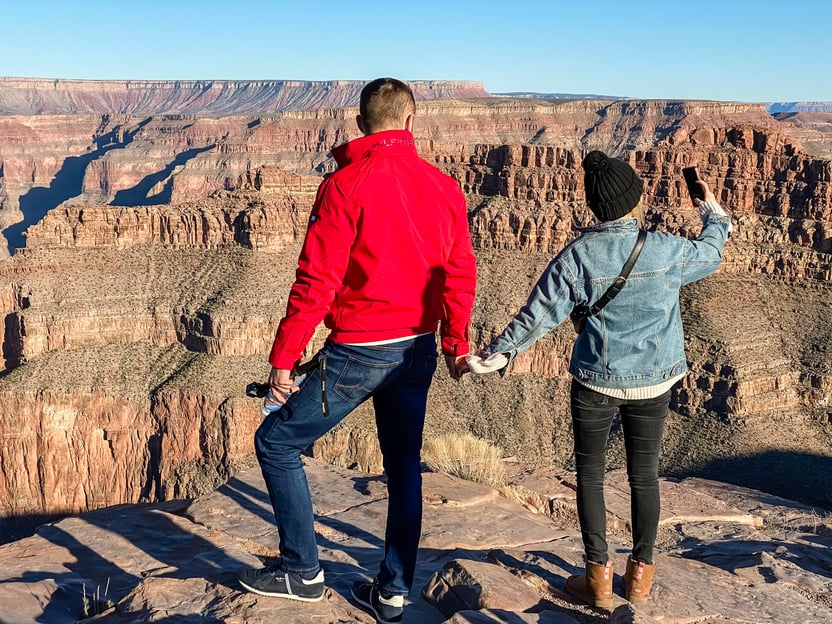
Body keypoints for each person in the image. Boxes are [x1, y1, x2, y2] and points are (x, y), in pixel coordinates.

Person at [238, 77, 477, 624]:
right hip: (416, 350)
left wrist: (283, 359)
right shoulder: (444, 186)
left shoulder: (345, 185)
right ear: (411, 122)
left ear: (360, 124)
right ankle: (392, 593)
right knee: (404, 470)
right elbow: (460, 272)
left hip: (358, 352)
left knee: (275, 442)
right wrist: (455, 342)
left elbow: (316, 280)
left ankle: (303, 573)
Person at [469, 151, 730, 608]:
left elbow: (539, 315)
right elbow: (711, 253)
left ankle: (598, 581)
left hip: (596, 383)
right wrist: (711, 210)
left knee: (589, 476)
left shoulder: (576, 257)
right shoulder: (668, 248)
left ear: (594, 206)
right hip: (655, 383)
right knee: (643, 477)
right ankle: (641, 580)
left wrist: (500, 354)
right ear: (636, 199)